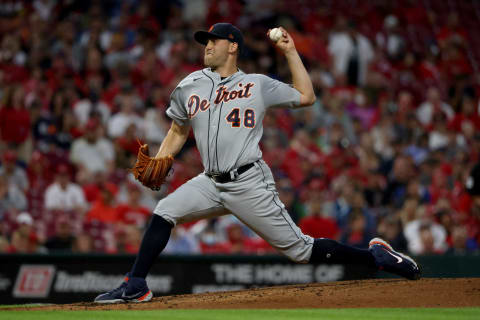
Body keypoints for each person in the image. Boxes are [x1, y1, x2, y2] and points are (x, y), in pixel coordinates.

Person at [95, 23, 420, 304]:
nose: (207, 45)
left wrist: (290, 52)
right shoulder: (189, 85)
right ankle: (135, 284)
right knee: (164, 211)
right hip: (210, 182)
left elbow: (306, 96)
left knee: (301, 251)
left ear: (233, 46)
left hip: (248, 182)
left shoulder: (256, 84)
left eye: (214, 40)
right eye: (205, 41)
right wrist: (163, 156)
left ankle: (375, 256)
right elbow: (178, 129)